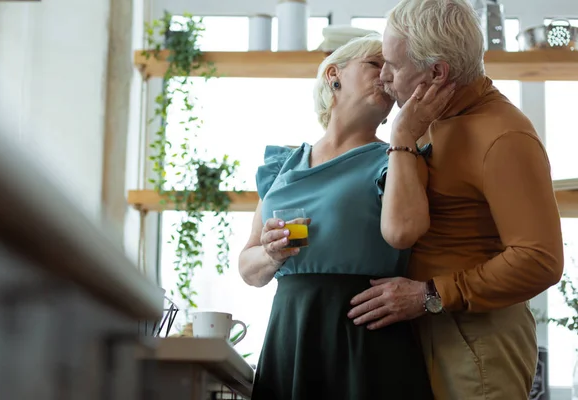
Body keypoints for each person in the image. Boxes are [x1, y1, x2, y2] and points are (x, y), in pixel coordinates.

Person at [347, 1, 565, 399]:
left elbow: (540, 260)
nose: (384, 77)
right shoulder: (426, 120)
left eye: (393, 64)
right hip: (427, 329)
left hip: (478, 342)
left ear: (437, 73)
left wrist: (428, 295)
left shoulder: (504, 136)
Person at [238, 34, 437, 400]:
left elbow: (407, 231)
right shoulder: (280, 167)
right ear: (334, 75)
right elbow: (249, 269)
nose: (388, 77)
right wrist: (269, 253)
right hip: (292, 331)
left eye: (393, 70)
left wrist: (406, 135)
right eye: (376, 65)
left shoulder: (398, 157)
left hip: (365, 333)